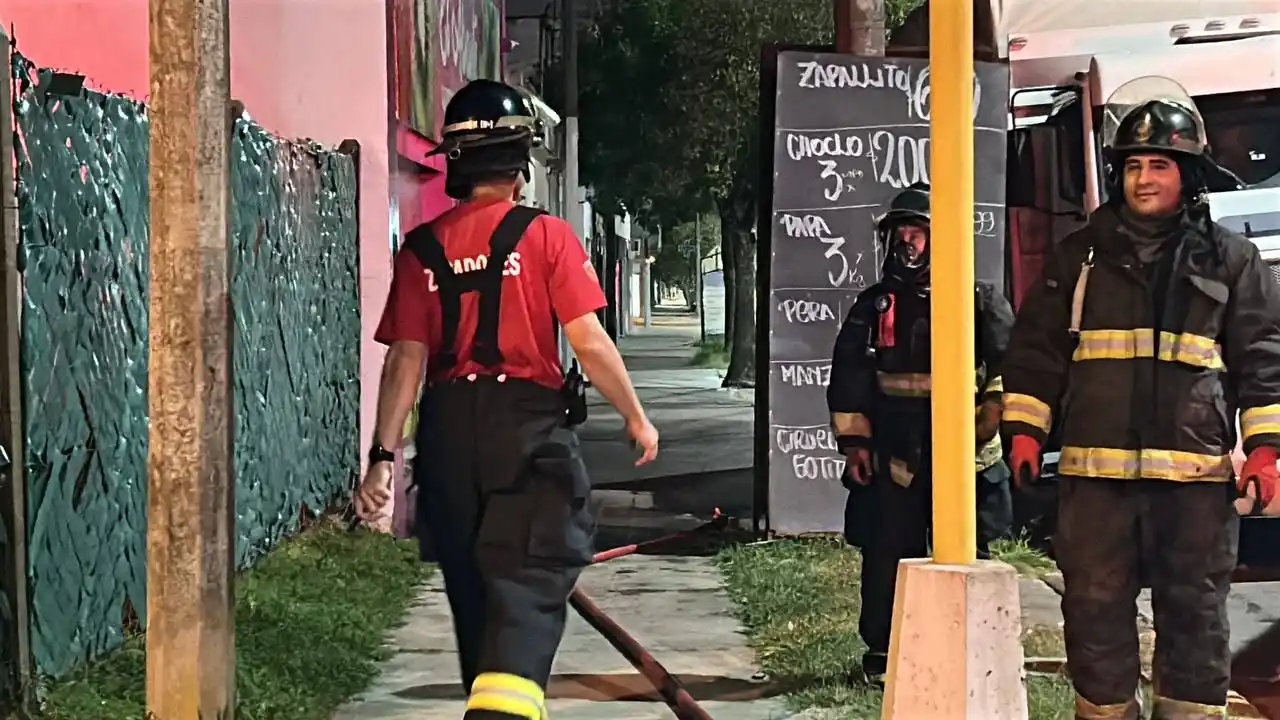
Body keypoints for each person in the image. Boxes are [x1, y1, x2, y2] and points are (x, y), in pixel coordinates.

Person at [355, 78, 659, 720]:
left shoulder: (421, 250)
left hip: (445, 434)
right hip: (524, 429)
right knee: (529, 576)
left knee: (473, 592)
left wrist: (384, 455)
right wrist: (635, 415)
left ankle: (492, 701)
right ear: (521, 162)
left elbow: (405, 358)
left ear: (455, 162)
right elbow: (589, 339)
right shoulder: (546, 237)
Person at [1000, 77, 1280, 720]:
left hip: (1195, 487)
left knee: (1196, 616)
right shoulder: (1079, 260)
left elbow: (1264, 358)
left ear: (1188, 174)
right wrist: (1023, 430)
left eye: (1158, 165)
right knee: (1094, 615)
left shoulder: (1232, 262)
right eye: (1132, 165)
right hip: (1095, 486)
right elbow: (1037, 353)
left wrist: (1264, 449)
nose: (1143, 179)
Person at [827, 183, 1016, 686]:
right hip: (897, 458)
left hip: (965, 459)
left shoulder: (980, 300)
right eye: (901, 232)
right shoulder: (875, 307)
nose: (907, 242)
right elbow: (849, 380)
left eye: (918, 232)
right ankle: (884, 655)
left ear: (943, 238)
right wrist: (856, 445)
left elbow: (1010, 367)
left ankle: (973, 654)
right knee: (888, 553)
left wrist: (992, 413)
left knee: (969, 558)